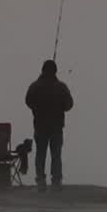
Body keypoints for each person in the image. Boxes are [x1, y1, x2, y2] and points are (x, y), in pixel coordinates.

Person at [25, 59, 74, 191]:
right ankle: (56, 181)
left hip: (40, 125)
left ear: (42, 70)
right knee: (56, 155)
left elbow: (28, 101)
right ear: (55, 71)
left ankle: (41, 180)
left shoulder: (35, 86)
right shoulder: (61, 87)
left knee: (40, 154)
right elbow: (69, 105)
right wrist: (60, 107)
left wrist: (37, 108)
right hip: (56, 126)